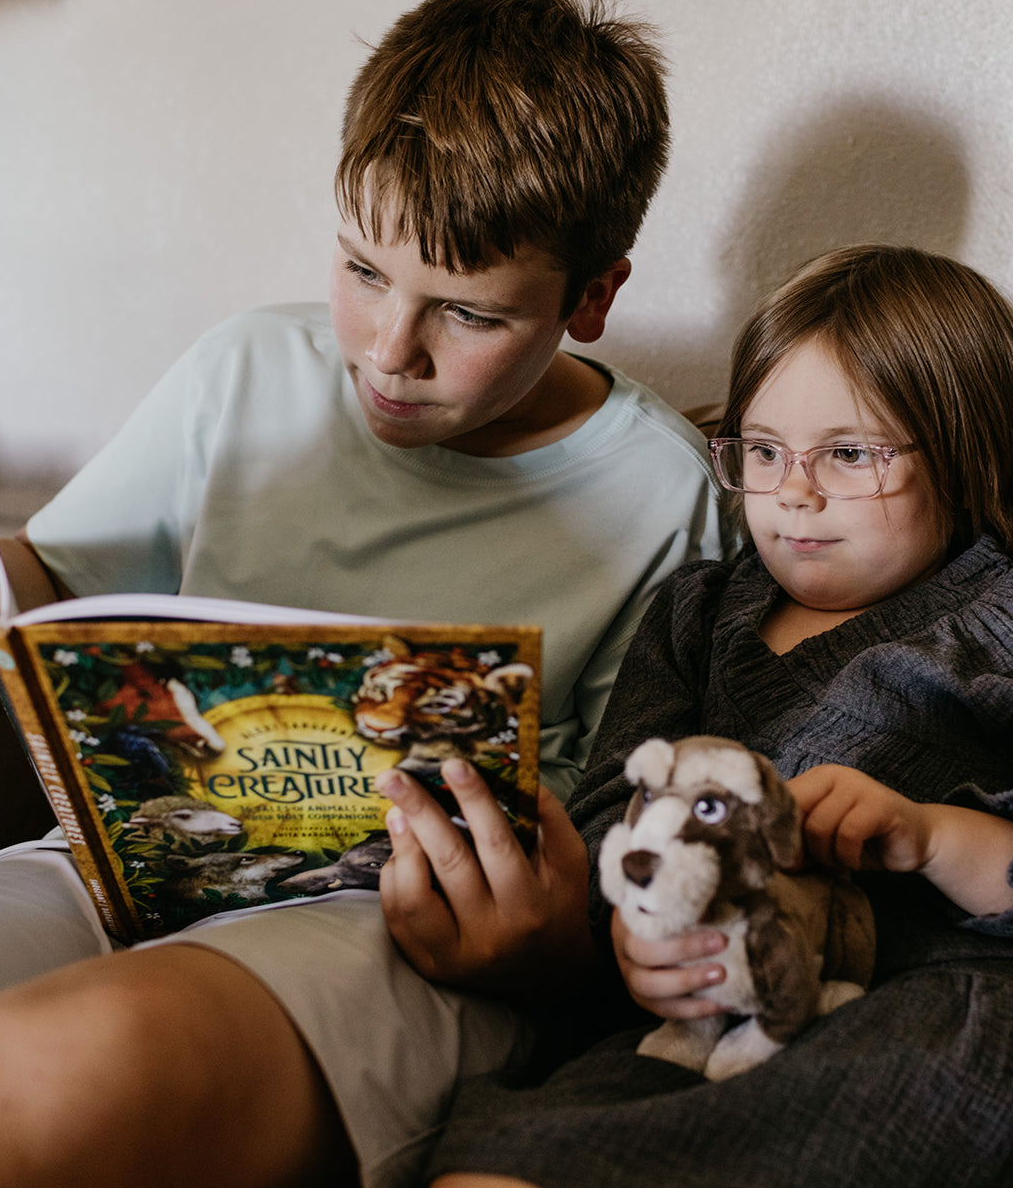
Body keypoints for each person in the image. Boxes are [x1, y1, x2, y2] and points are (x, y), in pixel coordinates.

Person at [0, 0, 724, 1187]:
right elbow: (54, 599)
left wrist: (549, 941)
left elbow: (647, 848)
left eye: (465, 311)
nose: (389, 350)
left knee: (76, 1062)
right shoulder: (245, 369)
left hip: (400, 935)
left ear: (592, 299)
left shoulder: (668, 494)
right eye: (361, 269)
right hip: (120, 866)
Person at [422, 243, 1013, 1188]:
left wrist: (934, 836)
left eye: (850, 454)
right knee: (499, 1159)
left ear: (967, 447)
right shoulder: (699, 612)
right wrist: (630, 936)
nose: (794, 491)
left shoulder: (996, 619)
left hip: (930, 1006)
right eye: (766, 451)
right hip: (704, 1018)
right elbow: (616, 806)